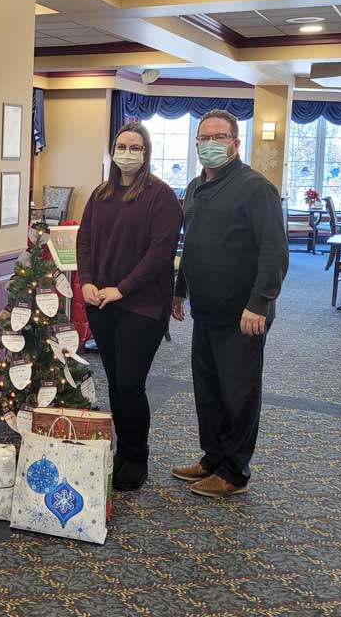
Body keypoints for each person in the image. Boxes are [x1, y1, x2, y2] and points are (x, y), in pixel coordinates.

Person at [171, 109, 288, 498]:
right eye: (203, 138)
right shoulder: (194, 187)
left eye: (218, 137)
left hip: (244, 314)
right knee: (208, 390)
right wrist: (179, 289)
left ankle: (234, 472)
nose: (210, 144)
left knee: (238, 393)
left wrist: (260, 303)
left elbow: (274, 251)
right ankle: (212, 458)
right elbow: (191, 245)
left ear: (235, 143)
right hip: (205, 310)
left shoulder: (256, 188)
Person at [76, 122, 182, 491]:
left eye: (136, 147)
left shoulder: (161, 196)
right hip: (101, 302)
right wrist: (86, 281)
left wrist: (122, 289)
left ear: (146, 153)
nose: (128, 153)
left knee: (131, 383)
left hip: (143, 305)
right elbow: (84, 240)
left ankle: (138, 455)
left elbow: (160, 253)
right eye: (122, 146)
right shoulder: (101, 194)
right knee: (116, 384)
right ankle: (122, 450)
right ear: (113, 151)